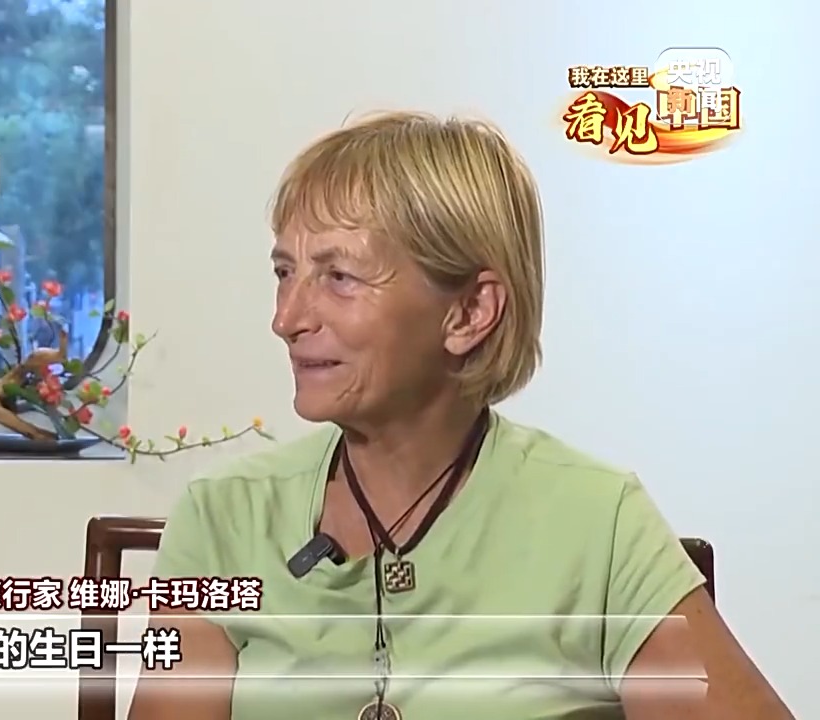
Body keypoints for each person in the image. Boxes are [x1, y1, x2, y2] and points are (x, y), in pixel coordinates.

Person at [127, 111, 794, 720]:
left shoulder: (596, 521)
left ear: (470, 312)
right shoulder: (225, 518)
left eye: (339, 277)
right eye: (285, 273)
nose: (288, 318)